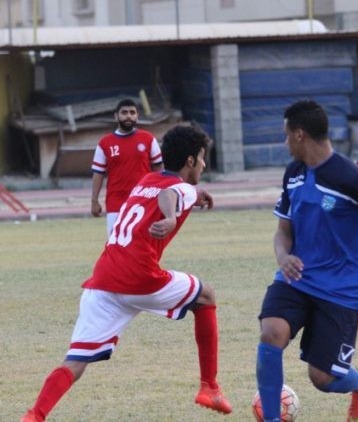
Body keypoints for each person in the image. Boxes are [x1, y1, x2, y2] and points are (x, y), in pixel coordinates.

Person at [22, 125, 232, 421]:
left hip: (103, 280)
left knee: (75, 362)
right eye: (201, 158)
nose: (204, 164)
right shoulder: (179, 189)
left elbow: (166, 192)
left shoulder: (147, 180)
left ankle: (34, 416)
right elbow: (170, 194)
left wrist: (194, 195)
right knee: (206, 295)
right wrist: (172, 217)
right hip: (140, 278)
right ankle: (209, 387)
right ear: (190, 161)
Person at [255, 100, 358, 422]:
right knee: (271, 332)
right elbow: (283, 231)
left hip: (342, 289)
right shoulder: (293, 173)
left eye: (286, 134)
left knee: (322, 378)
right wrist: (283, 257)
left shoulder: (352, 178)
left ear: (299, 134)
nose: (285, 142)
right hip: (297, 278)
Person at [91, 98, 163, 235]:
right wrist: (94, 200)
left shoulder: (148, 139)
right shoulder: (104, 143)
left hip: (144, 201)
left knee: (143, 241)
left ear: (137, 116)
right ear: (116, 116)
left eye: (132, 112)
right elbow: (98, 173)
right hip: (115, 202)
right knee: (115, 242)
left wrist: (161, 196)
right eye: (124, 113)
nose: (128, 116)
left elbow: (159, 170)